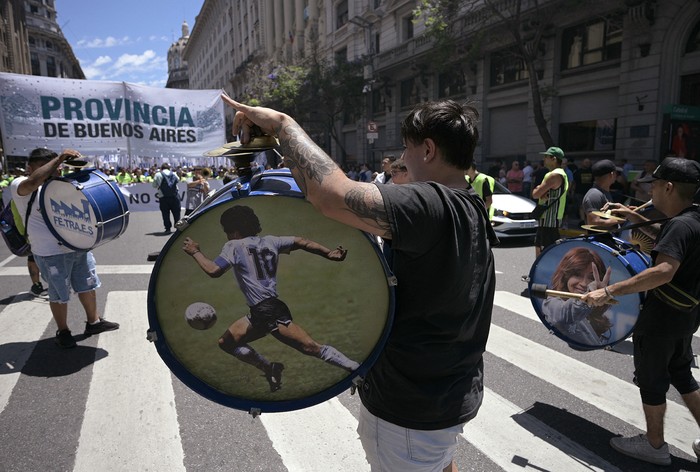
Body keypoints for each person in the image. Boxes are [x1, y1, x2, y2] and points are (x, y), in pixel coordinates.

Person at [222, 95, 497, 472]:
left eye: (408, 148)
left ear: (429, 149)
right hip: (447, 394)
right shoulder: (469, 204)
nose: (404, 156)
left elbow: (332, 196)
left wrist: (283, 125)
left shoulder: (430, 204)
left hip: (409, 408)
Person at [582, 157, 700, 466]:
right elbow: (673, 234)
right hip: (687, 315)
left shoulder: (679, 225)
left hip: (662, 317)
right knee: (682, 375)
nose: (653, 192)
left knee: (651, 379)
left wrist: (609, 290)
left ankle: (654, 445)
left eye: (656, 186)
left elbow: (663, 270)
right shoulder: (693, 220)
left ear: (669, 187)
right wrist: (633, 214)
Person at [182, 205, 359, 392]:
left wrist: (196, 252)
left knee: (311, 347)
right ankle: (270, 368)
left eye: (227, 232)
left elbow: (213, 270)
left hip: (268, 311)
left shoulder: (233, 245)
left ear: (233, 231)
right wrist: (328, 253)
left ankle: (356, 369)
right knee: (226, 342)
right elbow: (302, 241)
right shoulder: (272, 241)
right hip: (260, 311)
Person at [11, 148, 119, 348]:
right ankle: (63, 331)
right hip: (50, 252)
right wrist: (57, 159)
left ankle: (93, 322)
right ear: (32, 167)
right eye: (47, 165)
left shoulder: (59, 184)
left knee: (88, 285)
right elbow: (33, 182)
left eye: (56, 166)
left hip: (76, 246)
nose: (55, 170)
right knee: (59, 293)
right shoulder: (20, 185)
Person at [542, 247, 613, 346]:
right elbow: (563, 316)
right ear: (565, 276)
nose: (584, 283)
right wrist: (586, 298)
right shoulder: (551, 302)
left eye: (591, 278)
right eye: (577, 275)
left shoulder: (594, 315)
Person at [8, 173, 47, 296]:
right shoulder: (22, 197)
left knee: (33, 257)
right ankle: (37, 285)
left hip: (27, 232)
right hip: (30, 232)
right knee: (37, 257)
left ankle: (36, 285)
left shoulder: (17, 197)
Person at [532, 146, 568, 257]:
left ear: (554, 159)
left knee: (544, 252)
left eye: (546, 157)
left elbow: (535, 194)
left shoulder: (554, 175)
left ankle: (541, 273)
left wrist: (538, 189)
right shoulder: (563, 174)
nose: (544, 159)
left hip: (549, 219)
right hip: (553, 218)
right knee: (545, 249)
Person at [582, 159, 620, 231]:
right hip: (600, 239)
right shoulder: (594, 195)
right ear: (611, 175)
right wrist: (621, 220)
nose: (617, 176)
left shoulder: (603, 192)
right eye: (616, 173)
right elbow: (594, 222)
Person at [152, 163, 181, 233]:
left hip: (163, 197)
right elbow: (178, 180)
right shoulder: (173, 173)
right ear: (169, 168)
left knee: (165, 213)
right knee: (176, 213)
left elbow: (154, 185)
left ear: (161, 168)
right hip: (174, 196)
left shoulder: (158, 174)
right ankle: (178, 227)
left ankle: (167, 228)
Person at [573, 158, 594, 222]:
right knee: (581, 206)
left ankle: (588, 220)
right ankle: (582, 220)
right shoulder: (577, 172)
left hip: (590, 192)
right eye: (585, 162)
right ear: (582, 163)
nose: (587, 164)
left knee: (589, 207)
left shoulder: (592, 171)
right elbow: (574, 182)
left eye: (588, 162)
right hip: (579, 192)